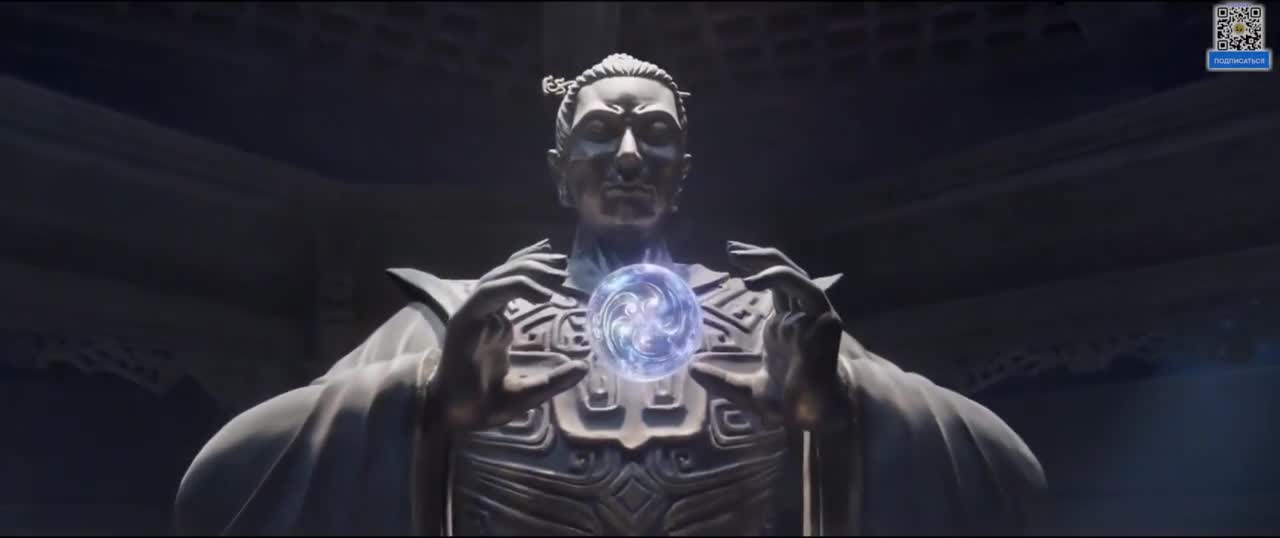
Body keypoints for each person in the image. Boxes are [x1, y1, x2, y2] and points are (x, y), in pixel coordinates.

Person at [174, 53, 1045, 536]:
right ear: (560, 172)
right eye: (602, 132)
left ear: (683, 172)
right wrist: (425, 403)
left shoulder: (775, 321)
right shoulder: (469, 321)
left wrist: (844, 407)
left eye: (655, 135)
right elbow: (217, 492)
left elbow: (1012, 482)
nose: (629, 155)